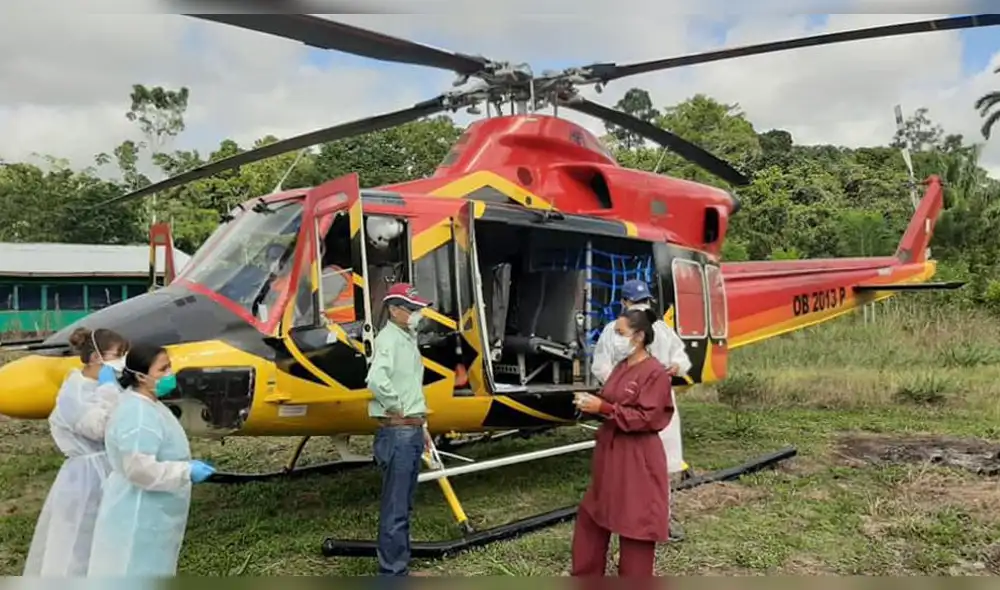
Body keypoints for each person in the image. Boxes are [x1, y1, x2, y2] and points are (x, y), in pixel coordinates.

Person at [87, 342, 217, 577]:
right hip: (139, 510)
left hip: (149, 506)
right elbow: (139, 469)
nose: (170, 374)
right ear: (141, 377)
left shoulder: (145, 402)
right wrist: (185, 471)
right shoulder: (138, 414)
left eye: (170, 366)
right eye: (162, 369)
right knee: (134, 569)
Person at [572, 308, 675, 577]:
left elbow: (647, 418)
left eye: (620, 333)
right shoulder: (621, 367)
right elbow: (611, 400)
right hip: (610, 454)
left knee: (636, 525)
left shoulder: (655, 374)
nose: (615, 339)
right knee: (592, 516)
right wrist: (589, 404)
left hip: (637, 458)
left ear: (639, 336)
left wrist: (604, 409)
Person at [590, 278, 691, 541]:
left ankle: (661, 520)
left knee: (661, 468)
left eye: (644, 302)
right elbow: (601, 367)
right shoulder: (614, 331)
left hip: (658, 408)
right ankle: (623, 519)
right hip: (628, 406)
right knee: (626, 467)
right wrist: (623, 386)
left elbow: (681, 357)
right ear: (624, 303)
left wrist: (676, 367)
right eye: (636, 303)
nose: (641, 307)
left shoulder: (661, 329)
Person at [22, 327, 129, 576]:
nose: (123, 362)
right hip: (87, 477)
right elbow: (98, 428)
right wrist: (110, 392)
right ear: (95, 358)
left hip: (111, 470)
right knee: (78, 543)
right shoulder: (74, 392)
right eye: (118, 354)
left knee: (112, 541)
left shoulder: (108, 387)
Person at [365, 282, 433, 577]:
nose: (417, 313)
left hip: (412, 430)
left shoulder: (407, 338)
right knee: (396, 507)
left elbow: (410, 387)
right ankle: (392, 572)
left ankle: (398, 564)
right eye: (412, 309)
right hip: (400, 433)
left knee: (403, 504)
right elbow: (376, 380)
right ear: (394, 310)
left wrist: (423, 426)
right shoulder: (389, 340)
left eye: (418, 308)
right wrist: (397, 408)